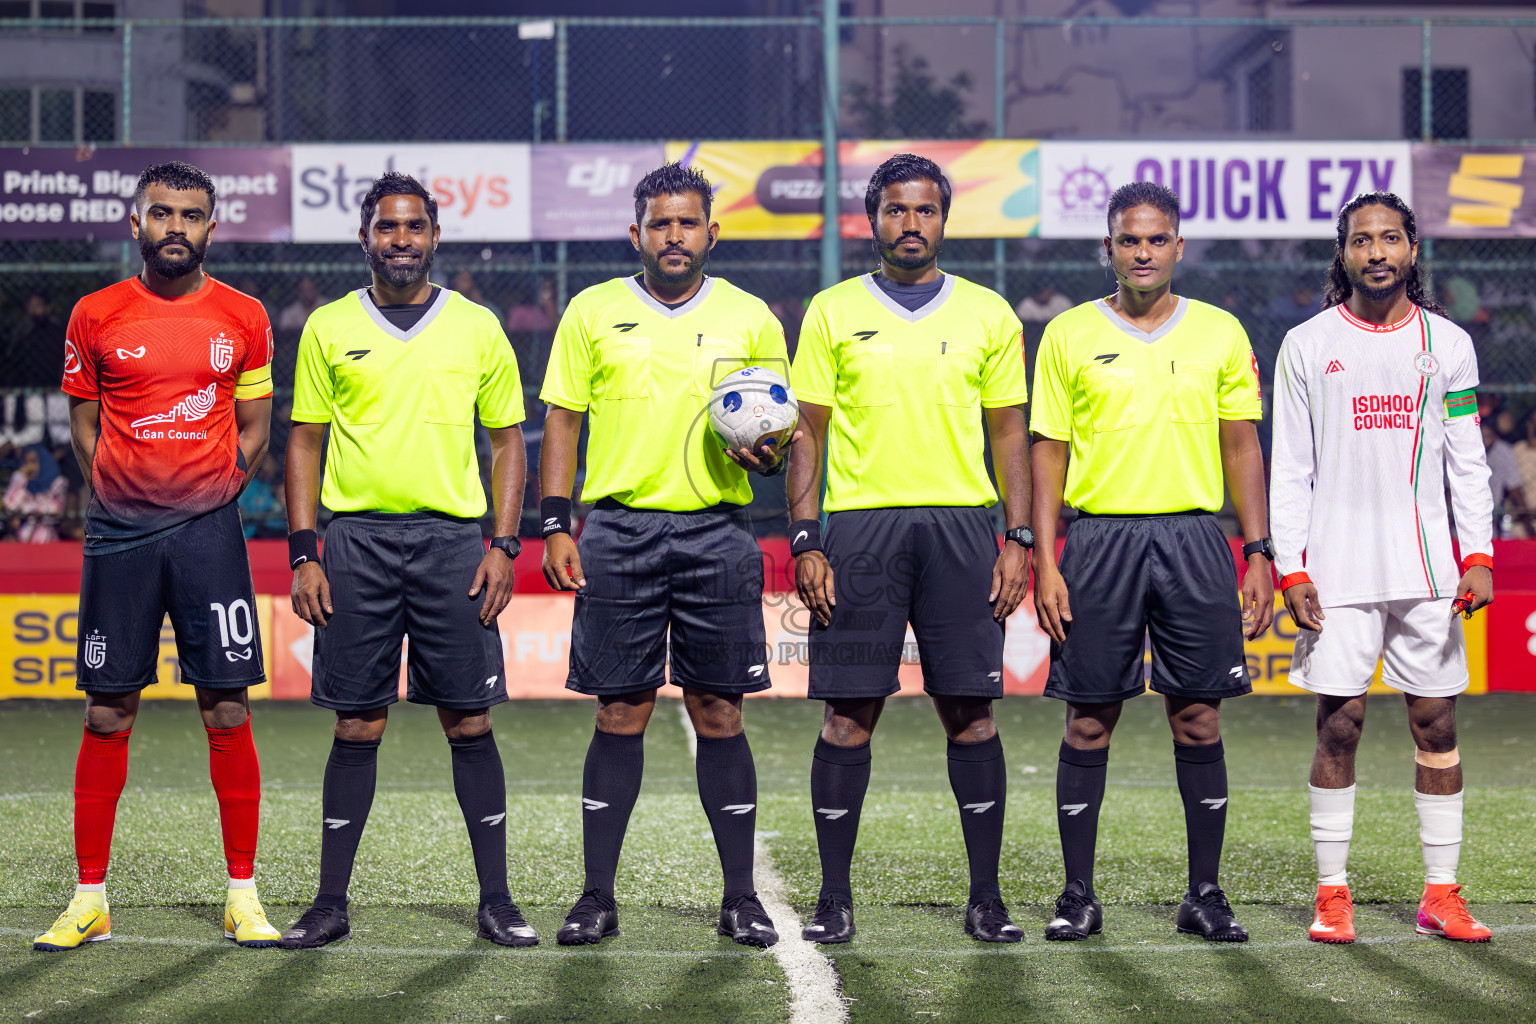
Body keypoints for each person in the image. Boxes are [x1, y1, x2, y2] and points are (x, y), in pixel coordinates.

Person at [279, 172, 534, 950]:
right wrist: (304, 552)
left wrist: (503, 543)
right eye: (387, 227)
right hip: (354, 543)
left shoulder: (476, 326)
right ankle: (329, 903)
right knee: (356, 724)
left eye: (414, 227)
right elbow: (304, 441)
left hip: (453, 545)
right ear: (365, 238)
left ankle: (496, 900)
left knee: (469, 720)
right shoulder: (328, 326)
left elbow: (508, 441)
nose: (401, 239)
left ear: (433, 237)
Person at [539, 162, 791, 949]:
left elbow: (779, 432)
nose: (674, 236)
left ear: (711, 233)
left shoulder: (751, 318)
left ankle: (741, 898)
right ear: (636, 233)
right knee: (622, 710)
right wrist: (555, 522)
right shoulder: (592, 310)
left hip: (719, 533)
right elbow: (562, 422)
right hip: (617, 534)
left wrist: (771, 459)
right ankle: (596, 896)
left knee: (721, 712)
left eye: (688, 223)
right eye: (660, 223)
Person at [33, 161, 280, 951]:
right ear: (135, 220)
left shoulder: (244, 316)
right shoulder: (94, 313)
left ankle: (242, 895)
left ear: (213, 226)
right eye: (163, 213)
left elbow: (255, 427)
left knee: (228, 708)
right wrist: (117, 491)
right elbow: (82, 425)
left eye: (193, 215)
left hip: (210, 538)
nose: (178, 226)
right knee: (107, 711)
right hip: (119, 538)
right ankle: (90, 898)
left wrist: (215, 491)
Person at [787, 153, 1032, 946]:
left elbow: (1009, 437)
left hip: (964, 528)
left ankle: (987, 898)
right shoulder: (830, 311)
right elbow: (807, 434)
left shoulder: (990, 314)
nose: (911, 223)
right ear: (873, 217)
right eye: (896, 210)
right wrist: (806, 538)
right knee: (847, 715)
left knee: (971, 714)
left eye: (925, 210)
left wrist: (1018, 537)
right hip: (860, 532)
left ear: (944, 218)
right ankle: (833, 897)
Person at [1031, 181, 1272, 944]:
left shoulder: (1221, 333)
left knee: (1198, 719)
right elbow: (1049, 453)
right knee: (1088, 723)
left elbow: (1242, 447)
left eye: (1156, 239)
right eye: (1128, 240)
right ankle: (1078, 896)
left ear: (1178, 245)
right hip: (1098, 542)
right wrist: (1045, 559)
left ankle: (1204, 894)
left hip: (1196, 541)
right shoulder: (1068, 334)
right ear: (1108, 247)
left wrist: (1258, 550)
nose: (1142, 252)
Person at [1271, 191, 1495, 945]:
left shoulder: (1448, 344)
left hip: (1429, 569)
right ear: (1343, 254)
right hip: (1336, 574)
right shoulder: (1306, 343)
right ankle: (1332, 894)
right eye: (1362, 240)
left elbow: (1468, 462)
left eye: (1390, 238)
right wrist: (1292, 569)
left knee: (1436, 722)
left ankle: (1442, 894)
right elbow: (1290, 468)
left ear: (1411, 251)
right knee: (1340, 725)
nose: (1377, 252)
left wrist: (1480, 554)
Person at [4, 443, 69, 542]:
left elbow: (55, 509)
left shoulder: (58, 483)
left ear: (43, 461)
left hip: (48, 543)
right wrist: (20, 476)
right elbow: (10, 506)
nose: (30, 466)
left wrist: (29, 510)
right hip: (23, 545)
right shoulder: (22, 485)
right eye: (26, 462)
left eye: (33, 461)